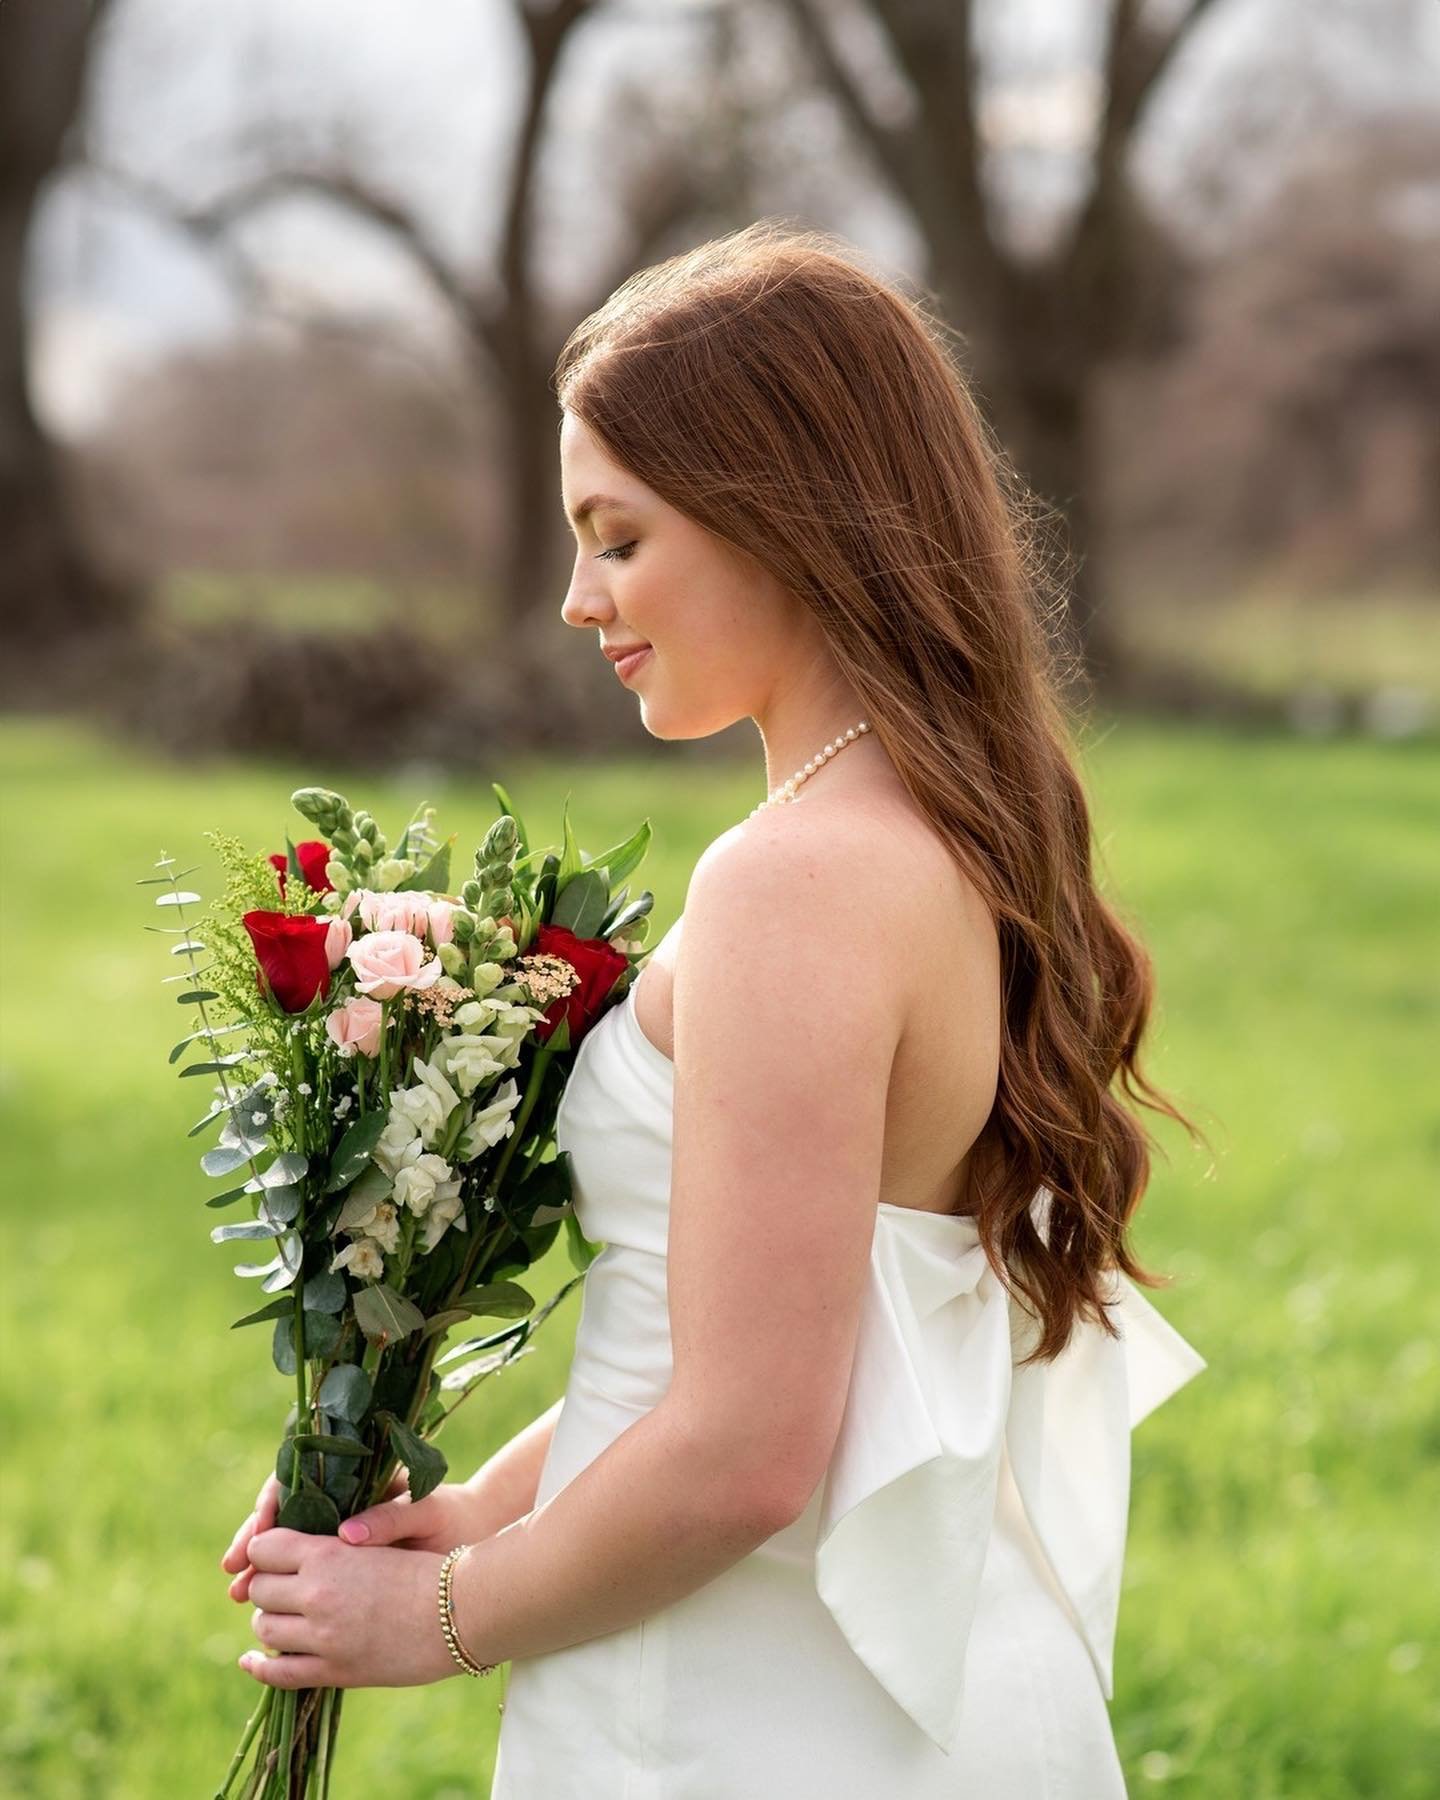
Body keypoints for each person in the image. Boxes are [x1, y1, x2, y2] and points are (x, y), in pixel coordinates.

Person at [221, 220, 1208, 1795]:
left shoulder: (797, 882)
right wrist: (479, 1507)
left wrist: (443, 1617)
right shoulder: (942, 832)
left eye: (620, 538)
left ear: (783, 518)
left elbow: (748, 1445)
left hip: (752, 1712)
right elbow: (786, 1326)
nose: (575, 597)